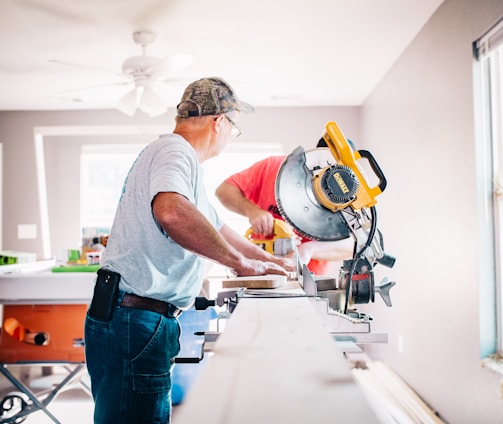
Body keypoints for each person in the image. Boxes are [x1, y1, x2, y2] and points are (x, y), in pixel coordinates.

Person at [84, 77, 293, 424]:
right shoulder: (175, 151)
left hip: (131, 316)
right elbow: (170, 212)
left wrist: (268, 261)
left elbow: (218, 227)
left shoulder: (180, 163)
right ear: (220, 122)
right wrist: (241, 265)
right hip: (135, 319)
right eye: (233, 127)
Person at [215, 138, 354, 275]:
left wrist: (308, 250)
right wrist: (252, 211)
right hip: (259, 270)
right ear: (315, 156)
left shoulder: (348, 198)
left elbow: (353, 245)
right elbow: (224, 190)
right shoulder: (274, 167)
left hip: (308, 280)